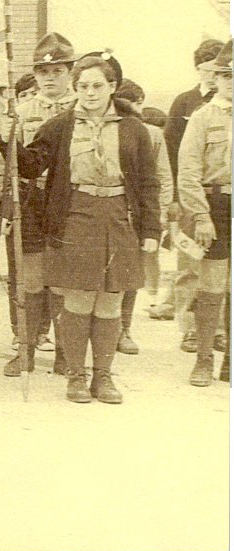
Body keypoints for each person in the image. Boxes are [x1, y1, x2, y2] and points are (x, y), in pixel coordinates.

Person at [9, 54, 159, 404]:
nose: (90, 93)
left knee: (110, 301)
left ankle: (102, 376)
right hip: (76, 215)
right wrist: (9, 139)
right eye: (83, 86)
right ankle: (76, 376)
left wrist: (151, 230)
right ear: (75, 88)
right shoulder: (60, 125)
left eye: (97, 86)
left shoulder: (133, 128)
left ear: (112, 87)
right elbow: (31, 166)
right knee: (78, 298)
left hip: (120, 217)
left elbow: (149, 182)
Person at [0, 33, 78, 378]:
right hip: (31, 201)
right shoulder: (23, 111)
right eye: (43, 72)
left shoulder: (82, 109)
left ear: (70, 72)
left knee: (63, 280)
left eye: (57, 71)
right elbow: (6, 166)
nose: (50, 78)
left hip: (69, 202)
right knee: (30, 278)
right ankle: (25, 349)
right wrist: (1, 206)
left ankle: (65, 352)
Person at [176, 40, 231, 386]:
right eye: (227, 76)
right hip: (216, 206)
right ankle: (204, 359)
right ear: (216, 78)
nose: (232, 83)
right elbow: (188, 171)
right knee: (211, 284)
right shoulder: (202, 117)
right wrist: (200, 215)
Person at [160, 38, 222, 346]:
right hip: (191, 195)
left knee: (220, 270)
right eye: (206, 69)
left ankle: (218, 330)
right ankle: (190, 329)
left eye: (218, 70)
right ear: (198, 69)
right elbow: (171, 152)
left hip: (222, 196)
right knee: (190, 266)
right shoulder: (185, 102)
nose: (211, 75)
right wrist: (173, 198)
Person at [113, 78, 173, 355]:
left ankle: (124, 329)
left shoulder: (150, 133)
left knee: (130, 272)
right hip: (106, 209)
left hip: (135, 212)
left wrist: (157, 216)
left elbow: (161, 177)